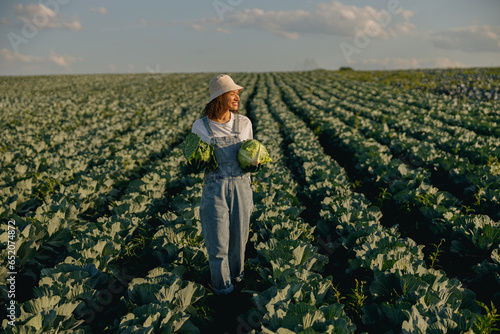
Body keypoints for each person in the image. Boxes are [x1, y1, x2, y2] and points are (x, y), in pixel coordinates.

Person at [191, 74, 254, 295]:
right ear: (219, 97)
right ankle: (222, 290)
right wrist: (195, 160)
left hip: (241, 186)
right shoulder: (200, 127)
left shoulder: (244, 123)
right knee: (217, 243)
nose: (237, 97)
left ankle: (237, 281)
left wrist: (255, 162)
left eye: (237, 93)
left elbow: (249, 156)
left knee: (239, 241)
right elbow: (196, 161)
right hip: (214, 187)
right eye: (232, 93)